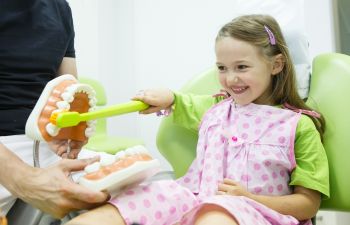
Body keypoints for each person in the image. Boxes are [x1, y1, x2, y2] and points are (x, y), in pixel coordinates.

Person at [66, 14, 329, 225]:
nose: (230, 79)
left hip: (258, 212)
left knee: (215, 215)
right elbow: (182, 102)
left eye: (242, 67)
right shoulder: (216, 107)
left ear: (276, 65)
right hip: (193, 198)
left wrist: (249, 198)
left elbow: (308, 204)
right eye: (222, 68)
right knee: (136, 200)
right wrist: (165, 96)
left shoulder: (298, 126)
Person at [0, 0, 108, 219]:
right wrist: (24, 179)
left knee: (141, 192)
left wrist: (69, 130)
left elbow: (68, 88)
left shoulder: (59, 7)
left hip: (43, 145)